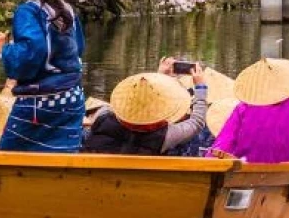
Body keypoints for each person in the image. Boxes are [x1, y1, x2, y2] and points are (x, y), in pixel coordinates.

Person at [0, 0, 86, 152]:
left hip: (41, 102)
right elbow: (79, 48)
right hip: (72, 97)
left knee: (10, 153)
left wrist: (4, 49)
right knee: (63, 153)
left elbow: (32, 52)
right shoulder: (67, 9)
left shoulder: (28, 10)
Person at [85, 60, 215, 157]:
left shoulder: (102, 116)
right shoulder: (164, 137)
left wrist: (159, 77)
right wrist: (200, 87)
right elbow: (197, 123)